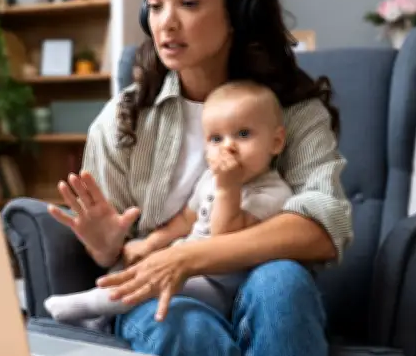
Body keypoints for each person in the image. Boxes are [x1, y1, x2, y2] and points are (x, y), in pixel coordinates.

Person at [46, 0, 352, 356]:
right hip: (166, 297)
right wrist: (104, 242)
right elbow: (116, 254)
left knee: (281, 282)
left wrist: (192, 257)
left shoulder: (294, 111)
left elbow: (324, 227)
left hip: (259, 284)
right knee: (179, 321)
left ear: (238, 11)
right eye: (154, 6)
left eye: (188, 2)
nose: (166, 23)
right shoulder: (122, 119)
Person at [44, 81, 293, 324]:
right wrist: (151, 243)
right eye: (216, 139)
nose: (228, 147)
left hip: (221, 283)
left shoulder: (273, 193)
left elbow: (224, 238)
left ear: (276, 142)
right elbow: (187, 218)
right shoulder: (209, 177)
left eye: (243, 134)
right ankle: (100, 318)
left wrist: (229, 187)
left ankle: (88, 306)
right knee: (135, 259)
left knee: (150, 283)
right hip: (185, 260)